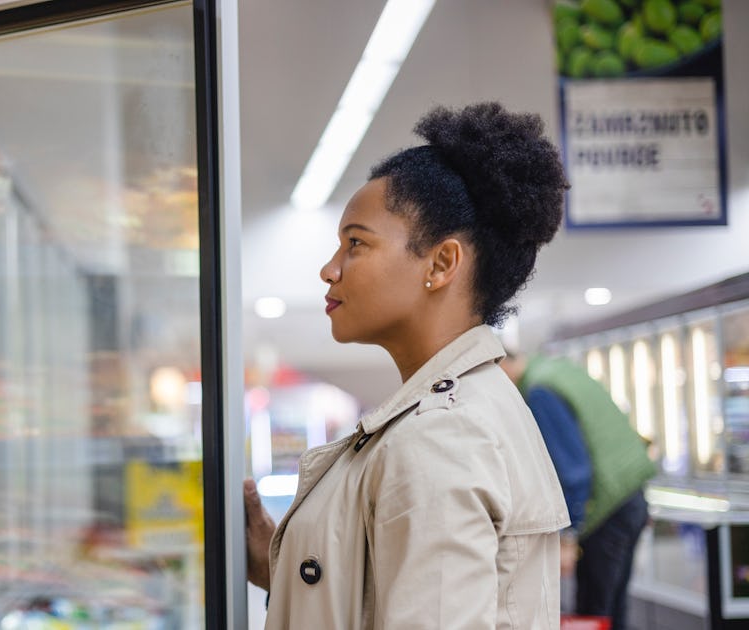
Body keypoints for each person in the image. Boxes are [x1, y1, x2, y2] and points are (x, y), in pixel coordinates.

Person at [243, 102, 571, 628]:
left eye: (356, 243)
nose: (329, 269)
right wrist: (283, 568)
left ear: (441, 263)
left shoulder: (441, 435)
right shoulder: (463, 410)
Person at [500, 351, 655, 630]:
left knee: (593, 613)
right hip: (631, 495)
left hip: (606, 510)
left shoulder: (540, 391)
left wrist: (568, 537)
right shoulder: (556, 369)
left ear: (504, 365)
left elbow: (573, 472)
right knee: (614, 607)